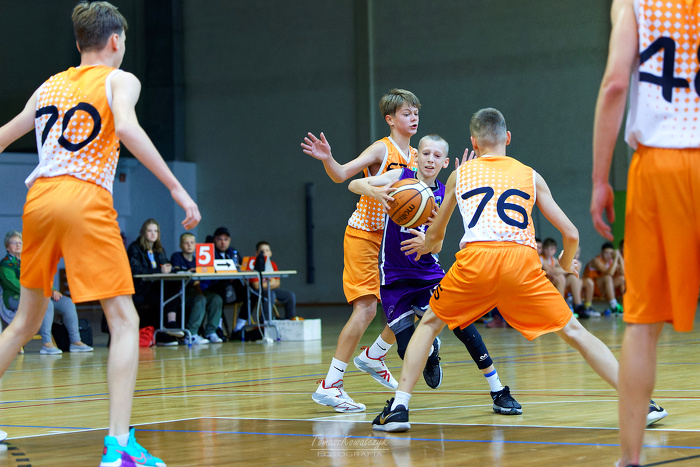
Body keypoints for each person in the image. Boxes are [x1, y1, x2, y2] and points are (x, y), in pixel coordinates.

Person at [372, 108, 666, 433]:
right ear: (507, 138)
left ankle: (399, 409)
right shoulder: (530, 175)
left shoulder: (460, 175)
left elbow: (435, 239)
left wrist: (426, 239)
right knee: (575, 332)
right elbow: (571, 234)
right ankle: (641, 403)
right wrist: (565, 267)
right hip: (521, 263)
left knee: (428, 325)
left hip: (476, 261)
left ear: (473, 142)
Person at [0, 2, 200, 463]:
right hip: (84, 198)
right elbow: (126, 127)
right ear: (115, 41)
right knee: (125, 321)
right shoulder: (120, 79)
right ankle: (119, 446)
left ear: (78, 43)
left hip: (39, 202)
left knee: (25, 322)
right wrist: (176, 188)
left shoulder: (49, 85)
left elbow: (5, 135)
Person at [590, 0, 697, 464]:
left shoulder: (636, 1)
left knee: (642, 324)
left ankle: (630, 459)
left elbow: (616, 83)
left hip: (661, 164)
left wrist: (600, 179)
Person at [348, 134, 521, 415]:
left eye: (437, 156)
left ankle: (498, 390)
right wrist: (374, 190)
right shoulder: (400, 177)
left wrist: (428, 241)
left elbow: (438, 246)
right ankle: (430, 351)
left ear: (444, 163)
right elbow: (353, 184)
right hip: (394, 277)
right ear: (417, 156)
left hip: (428, 274)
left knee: (463, 325)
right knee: (406, 350)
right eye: (426, 153)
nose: (430, 159)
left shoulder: (444, 194)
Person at [301, 89, 420, 412]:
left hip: (392, 242)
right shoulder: (382, 148)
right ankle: (330, 385)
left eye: (416, 113)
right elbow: (342, 174)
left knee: (412, 304)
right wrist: (328, 159)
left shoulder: (415, 156)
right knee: (366, 309)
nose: (413, 118)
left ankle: (374, 355)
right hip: (364, 234)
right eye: (407, 113)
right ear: (390, 119)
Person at [0, 231, 93, 354]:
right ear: (7, 247)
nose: (18, 245)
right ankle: (47, 344)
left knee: (67, 303)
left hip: (38, 295)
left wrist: (52, 289)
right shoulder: (5, 264)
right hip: (16, 298)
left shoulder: (30, 261)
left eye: (20, 242)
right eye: (14, 243)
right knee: (46, 303)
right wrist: (37, 292)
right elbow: (13, 284)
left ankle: (76, 342)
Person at [127, 219, 180, 335]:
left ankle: (171, 325)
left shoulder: (159, 250)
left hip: (155, 287)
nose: (153, 234)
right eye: (150, 231)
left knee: (175, 287)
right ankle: (169, 326)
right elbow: (136, 270)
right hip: (141, 290)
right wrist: (160, 270)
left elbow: (165, 264)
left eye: (156, 231)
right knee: (169, 293)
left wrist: (171, 268)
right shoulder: (135, 248)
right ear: (143, 232)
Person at [171, 233, 224, 344]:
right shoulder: (176, 257)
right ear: (180, 245)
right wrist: (187, 272)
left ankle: (211, 332)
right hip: (182, 292)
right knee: (200, 299)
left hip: (197, 290)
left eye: (192, 243)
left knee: (216, 298)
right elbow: (176, 273)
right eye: (186, 243)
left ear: (195, 245)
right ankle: (192, 334)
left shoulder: (198, 260)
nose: (189, 245)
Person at [201, 226, 248, 335]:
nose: (223, 243)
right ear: (214, 240)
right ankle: (218, 326)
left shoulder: (233, 252)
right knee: (221, 288)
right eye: (219, 239)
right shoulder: (208, 253)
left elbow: (241, 268)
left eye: (225, 240)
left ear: (229, 240)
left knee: (253, 293)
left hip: (232, 288)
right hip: (214, 287)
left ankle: (239, 327)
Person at [246, 241, 297, 320]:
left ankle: (290, 319)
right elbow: (256, 286)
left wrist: (267, 285)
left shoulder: (273, 265)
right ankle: (265, 320)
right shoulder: (253, 265)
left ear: (270, 253)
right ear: (257, 253)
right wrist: (271, 283)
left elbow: (277, 284)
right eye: (262, 251)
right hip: (257, 292)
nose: (265, 253)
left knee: (290, 295)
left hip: (271, 290)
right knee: (271, 294)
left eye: (267, 250)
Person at [583, 242, 625, 315]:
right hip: (592, 288)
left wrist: (620, 257)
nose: (609, 255)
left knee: (621, 278)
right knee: (607, 278)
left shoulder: (611, 262)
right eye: (606, 253)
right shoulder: (596, 260)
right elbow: (609, 273)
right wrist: (616, 259)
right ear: (601, 253)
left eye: (611, 253)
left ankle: (625, 304)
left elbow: (623, 272)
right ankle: (614, 305)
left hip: (604, 288)